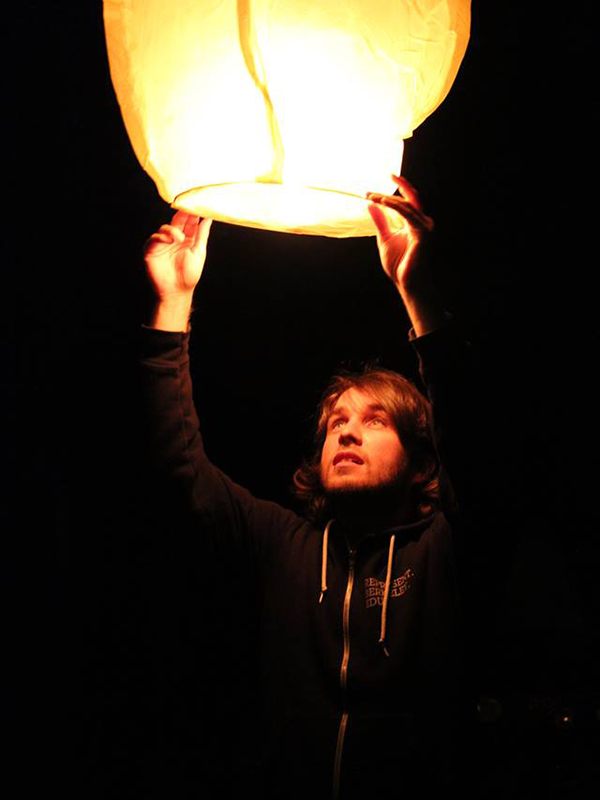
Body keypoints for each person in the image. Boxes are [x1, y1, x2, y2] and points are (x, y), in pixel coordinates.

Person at [139, 178, 480, 798]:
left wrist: (417, 289)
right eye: (336, 423)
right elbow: (178, 469)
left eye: (374, 421)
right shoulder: (283, 545)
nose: (346, 433)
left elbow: (474, 438)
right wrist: (173, 303)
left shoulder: (448, 547)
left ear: (418, 454)